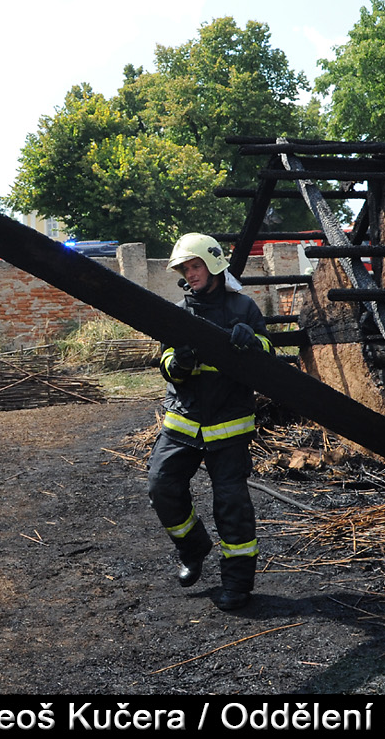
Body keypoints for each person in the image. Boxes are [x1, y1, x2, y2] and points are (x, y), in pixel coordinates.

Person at [149, 232, 273, 611]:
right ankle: (193, 548)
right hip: (184, 421)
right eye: (185, 268)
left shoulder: (244, 308)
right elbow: (165, 362)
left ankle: (237, 582)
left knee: (231, 504)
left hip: (229, 424)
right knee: (161, 485)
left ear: (214, 263)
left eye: (196, 265)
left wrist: (252, 342)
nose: (191, 273)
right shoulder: (178, 312)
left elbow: (269, 355)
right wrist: (178, 365)